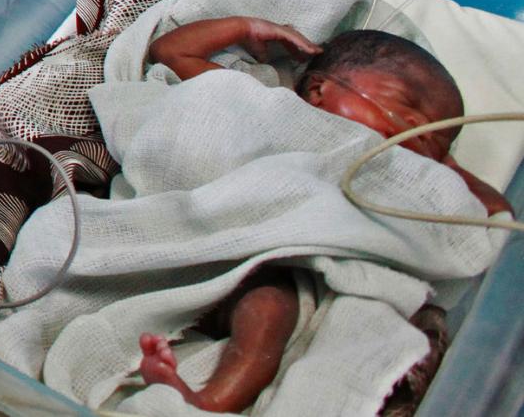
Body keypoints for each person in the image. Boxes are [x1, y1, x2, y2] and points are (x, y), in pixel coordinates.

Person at [131, 21, 506, 412]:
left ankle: (207, 401)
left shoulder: (398, 175)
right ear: (318, 90)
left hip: (274, 278)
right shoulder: (270, 105)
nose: (417, 133)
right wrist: (244, 26)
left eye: (437, 137)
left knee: (272, 308)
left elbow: (495, 216)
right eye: (407, 109)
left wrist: (443, 165)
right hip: (197, 243)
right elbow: (171, 52)